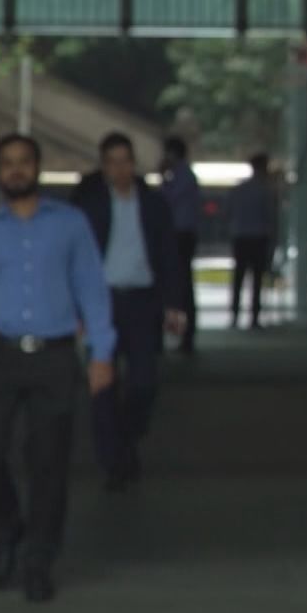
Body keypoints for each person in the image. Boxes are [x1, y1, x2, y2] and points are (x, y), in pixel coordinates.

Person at [0, 134, 116, 604]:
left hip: (55, 355)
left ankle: (38, 559)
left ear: (37, 168)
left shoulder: (70, 225)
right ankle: (7, 529)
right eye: (7, 165)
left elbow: (92, 291)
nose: (16, 171)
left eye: (24, 163)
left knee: (48, 463)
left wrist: (101, 351)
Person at [71, 133, 189, 490]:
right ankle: (114, 461)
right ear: (103, 166)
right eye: (112, 162)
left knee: (144, 382)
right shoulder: (90, 206)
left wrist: (175, 303)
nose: (119, 169)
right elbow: (75, 261)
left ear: (133, 164)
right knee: (103, 384)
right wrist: (77, 310)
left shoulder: (153, 205)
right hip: (102, 303)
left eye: (125, 161)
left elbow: (170, 256)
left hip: (142, 301)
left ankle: (125, 436)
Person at [158, 136, 203, 355]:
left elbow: (166, 199)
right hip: (180, 233)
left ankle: (187, 334)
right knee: (181, 284)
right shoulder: (182, 175)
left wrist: (163, 177)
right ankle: (183, 334)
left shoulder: (182, 176)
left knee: (182, 285)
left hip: (181, 234)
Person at [226, 153, 276, 330]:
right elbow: (270, 217)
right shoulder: (265, 190)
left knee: (238, 278)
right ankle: (254, 317)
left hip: (240, 237)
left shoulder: (239, 189)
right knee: (256, 279)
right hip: (258, 238)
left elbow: (229, 212)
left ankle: (234, 315)